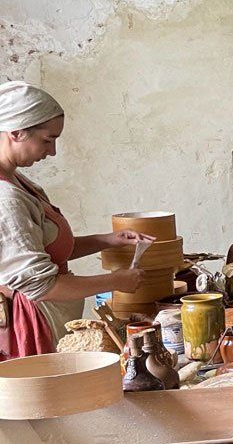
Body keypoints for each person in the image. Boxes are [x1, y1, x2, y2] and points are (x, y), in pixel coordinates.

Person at [0, 82, 149, 359]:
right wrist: (115, 280)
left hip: (48, 316)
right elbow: (41, 285)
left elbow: (44, 251)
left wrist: (108, 240)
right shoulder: (5, 199)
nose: (52, 151)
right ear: (16, 132)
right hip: (30, 326)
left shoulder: (18, 181)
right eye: (47, 140)